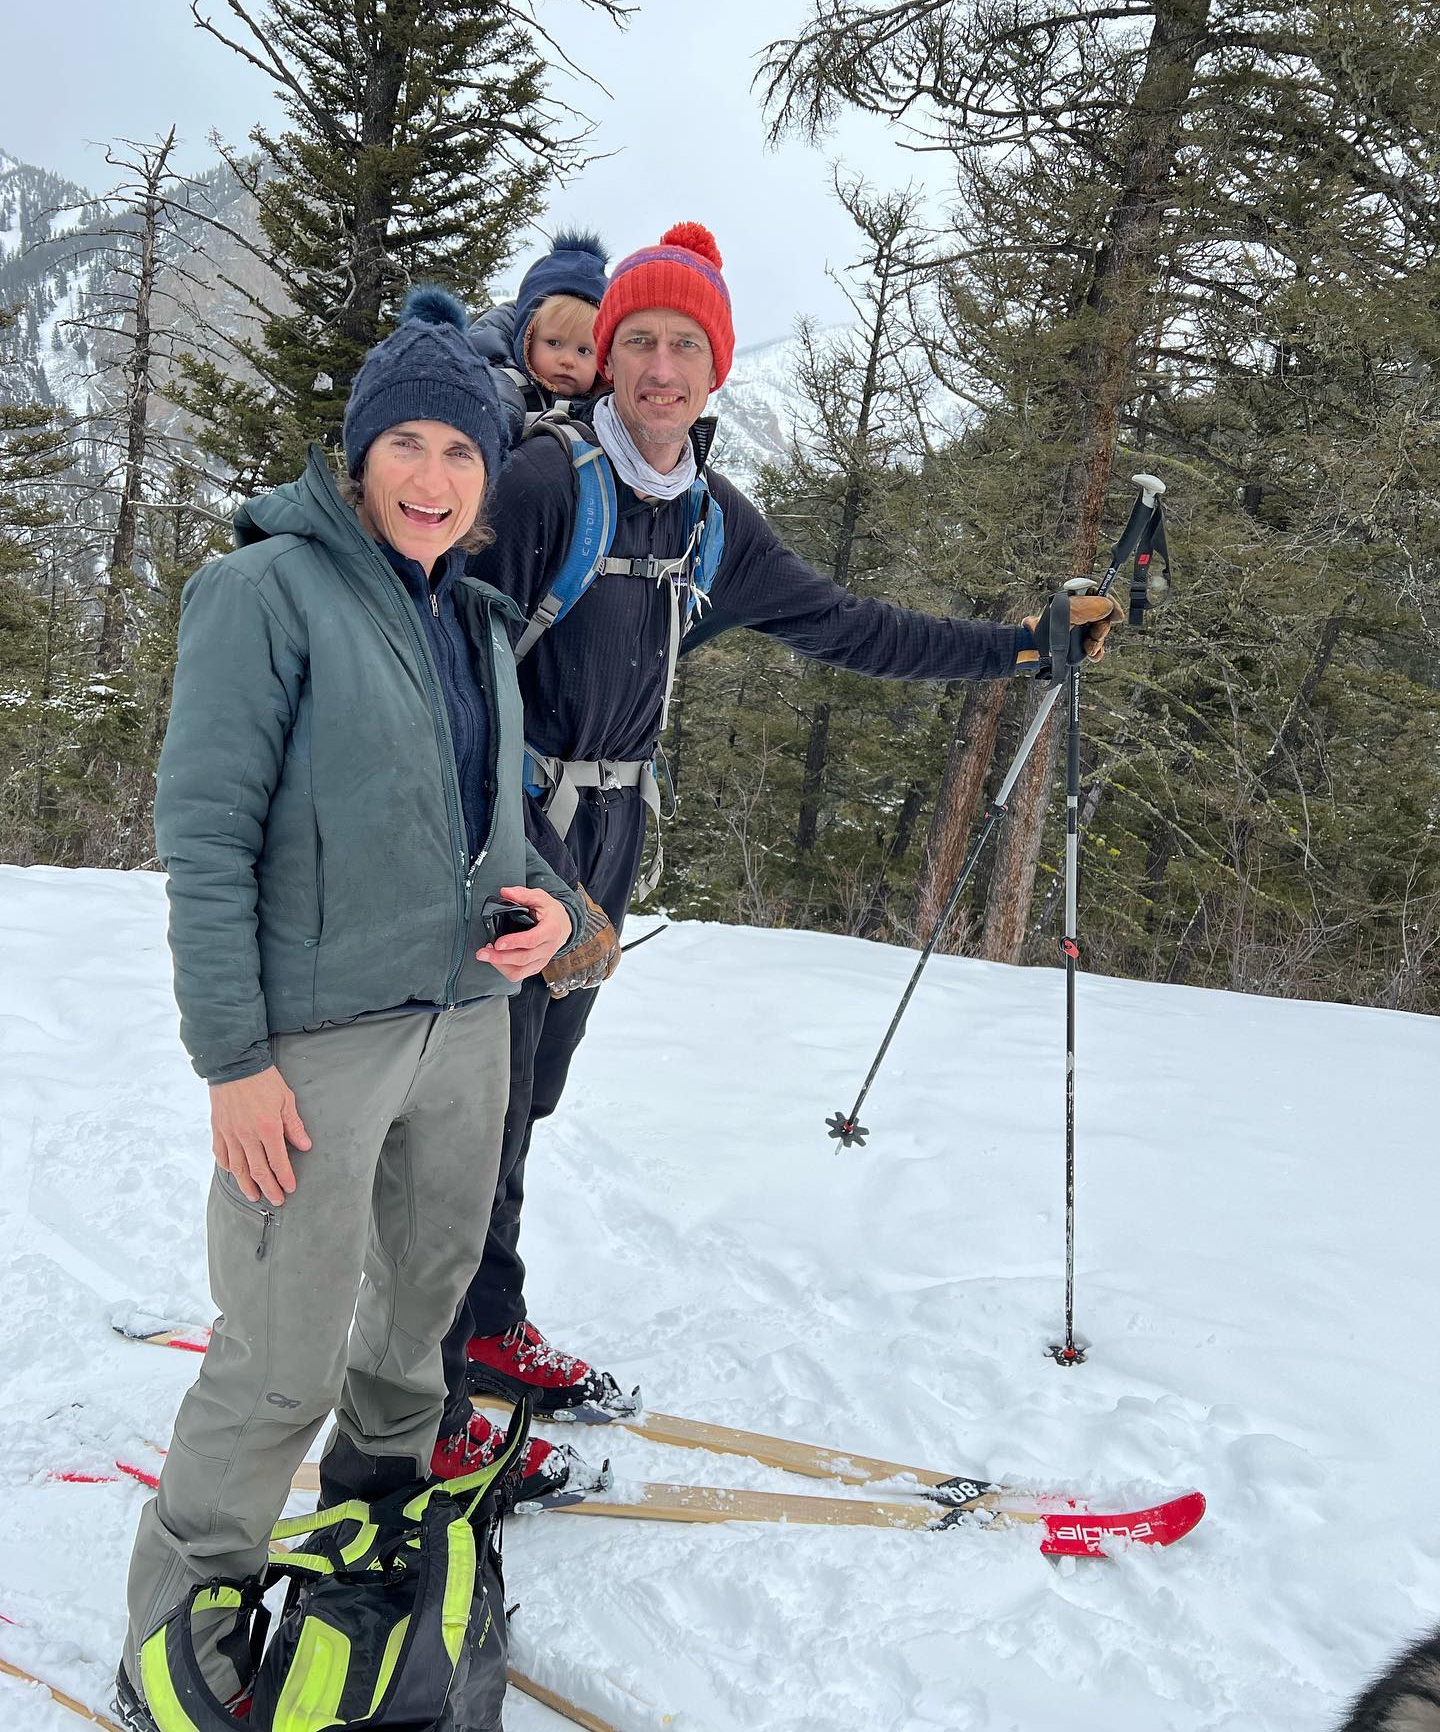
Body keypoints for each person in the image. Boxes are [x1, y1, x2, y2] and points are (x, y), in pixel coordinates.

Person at [435, 222, 1122, 1455]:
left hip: (610, 835)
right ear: (603, 357)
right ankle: (434, 1373)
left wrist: (1023, 647)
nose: (656, 367)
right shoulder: (546, 482)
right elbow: (439, 641)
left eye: (682, 347)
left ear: (716, 370)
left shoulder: (706, 517)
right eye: (635, 340)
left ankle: (483, 1321)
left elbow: (850, 625)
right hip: (512, 831)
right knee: (470, 1098)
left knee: (529, 1092)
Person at [115, 289, 588, 1732]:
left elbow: (489, 813)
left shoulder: (477, 616)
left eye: (464, 450)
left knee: (420, 1319)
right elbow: (205, 838)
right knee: (279, 1353)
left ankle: (376, 1520)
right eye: (411, 445)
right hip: (316, 1041)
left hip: (466, 1019)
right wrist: (235, 1060)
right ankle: (177, 1625)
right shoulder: (265, 592)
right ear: (361, 452)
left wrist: (555, 910)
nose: (435, 477)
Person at [468, 229, 609, 438]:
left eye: (584, 350)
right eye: (553, 342)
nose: (568, 360)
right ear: (526, 340)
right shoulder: (497, 377)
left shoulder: (604, 404)